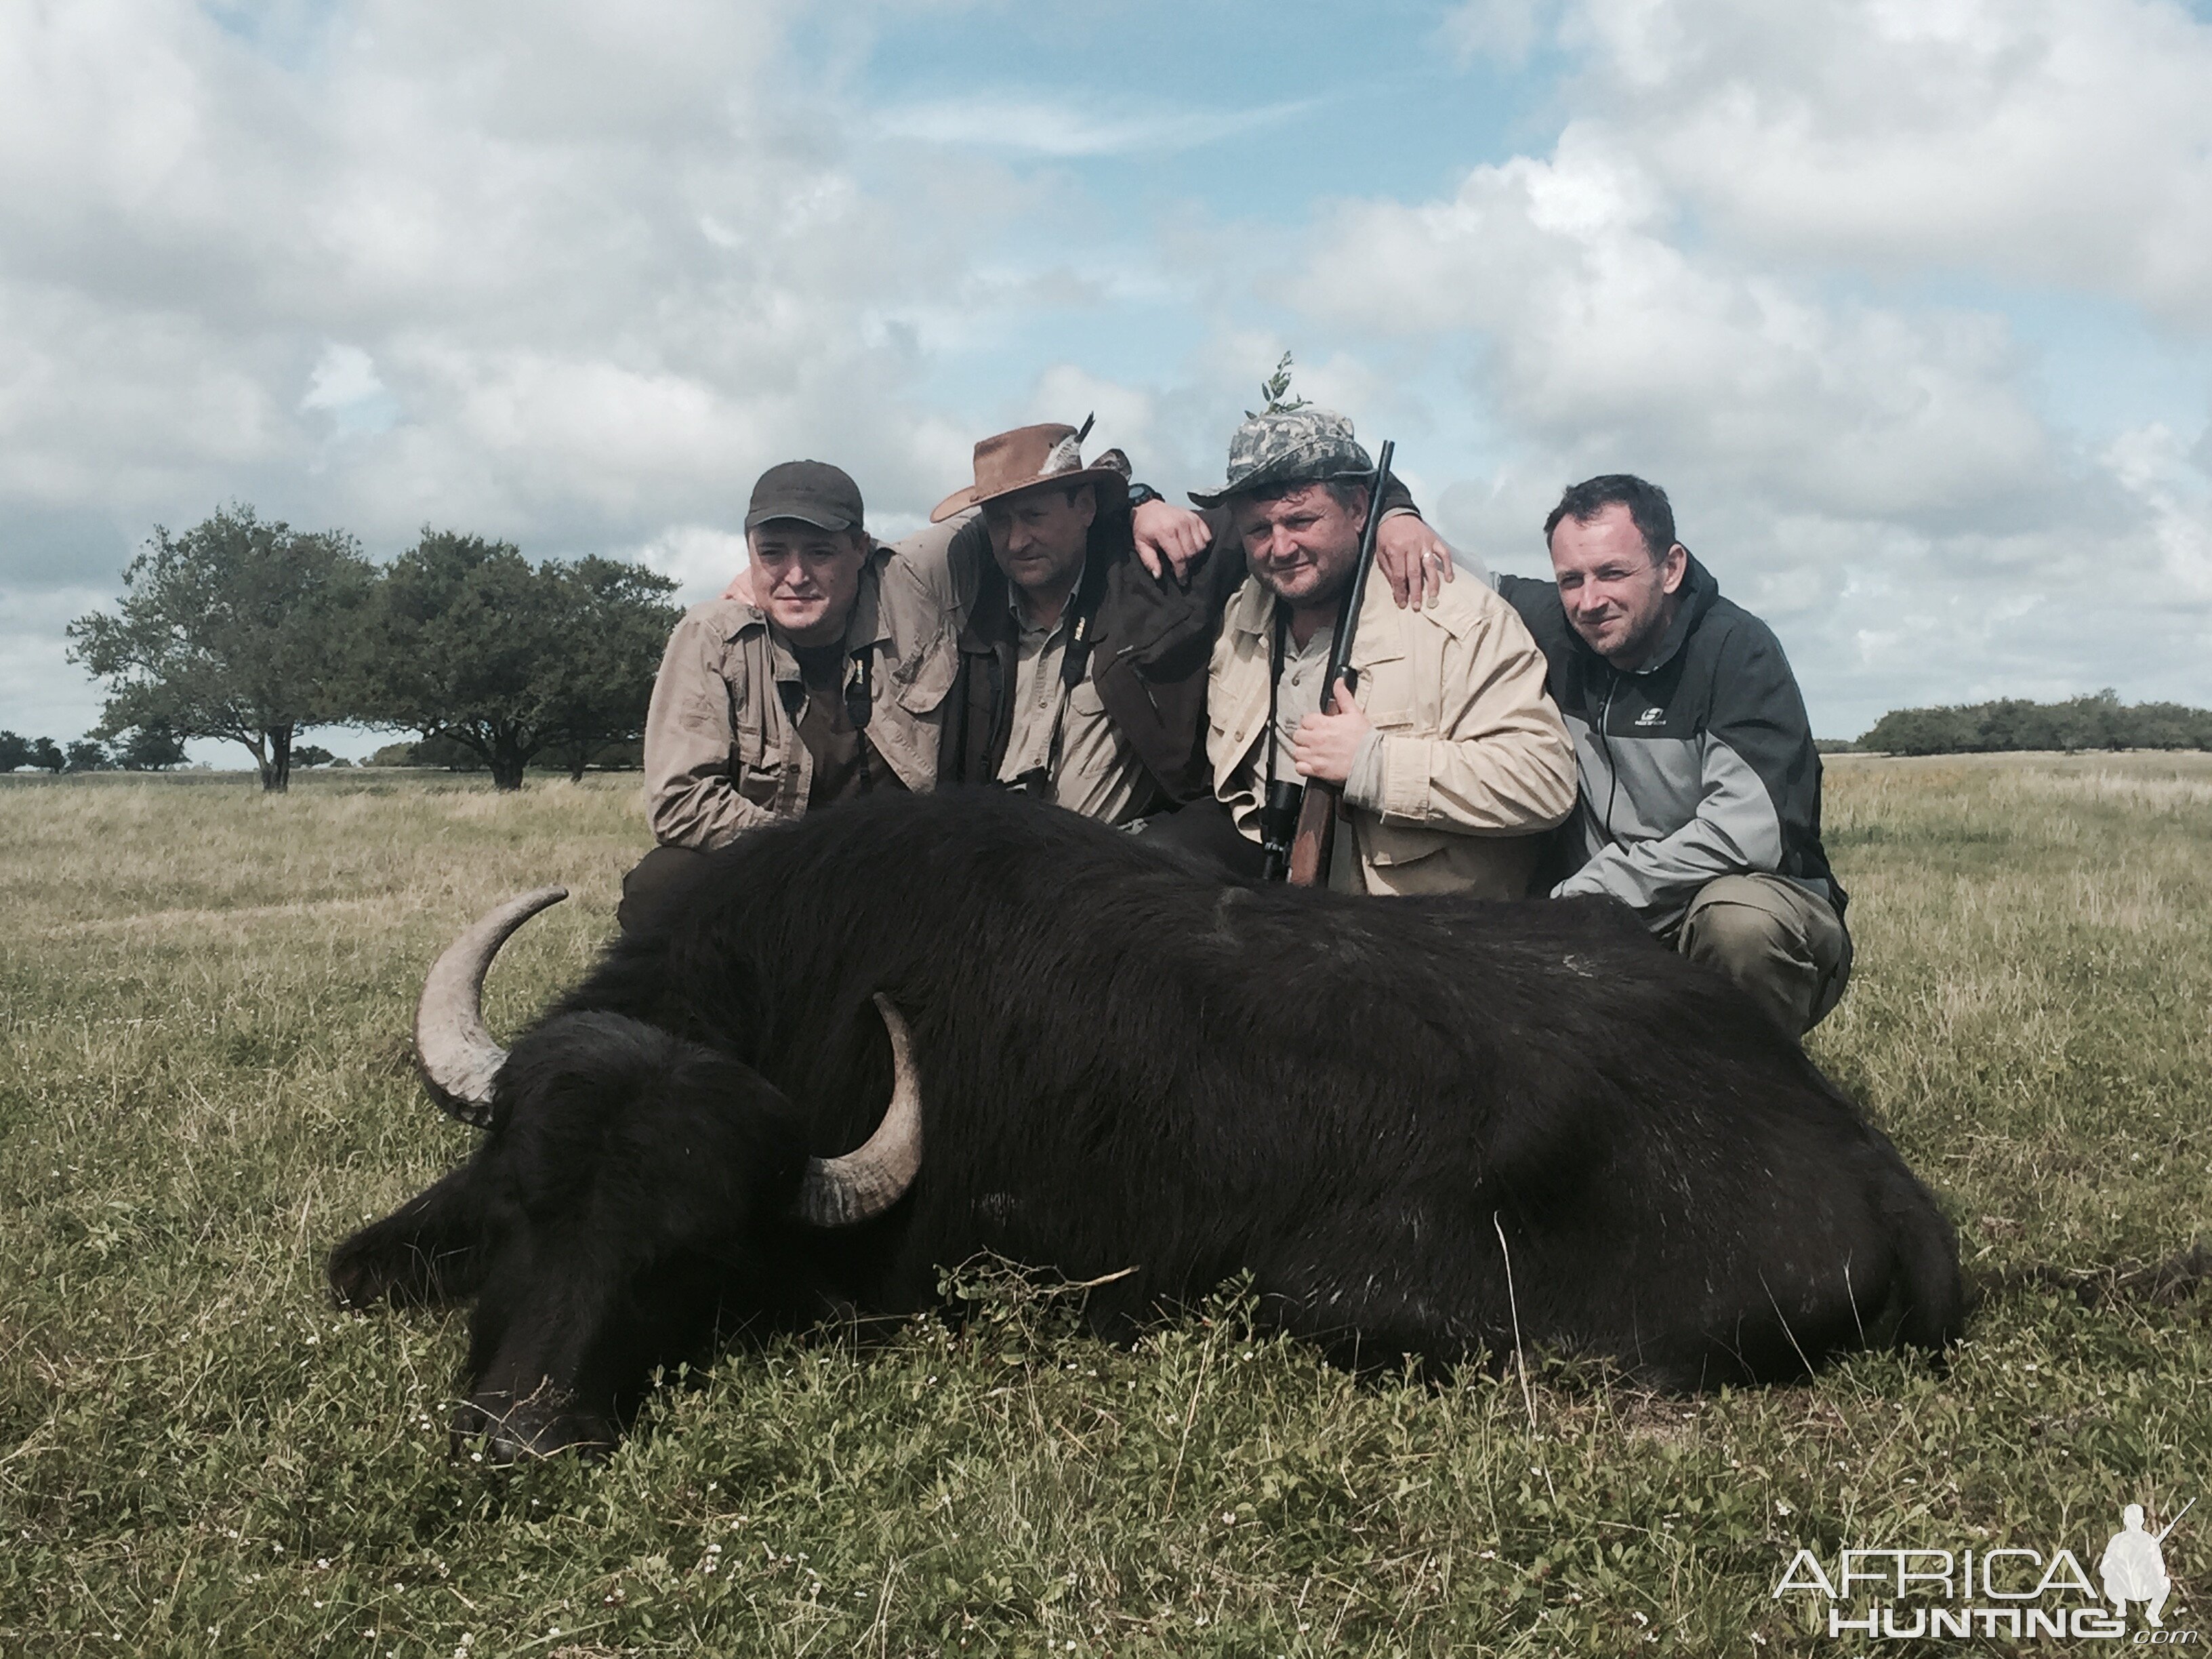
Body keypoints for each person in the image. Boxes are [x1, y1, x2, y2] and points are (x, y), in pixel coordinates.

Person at [886, 417, 1458, 863]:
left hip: (1122, 873)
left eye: (1033, 515)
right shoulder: (972, 604)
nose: (1016, 540)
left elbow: (1306, 499)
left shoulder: (1161, 572)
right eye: (1000, 522)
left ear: (1086, 507)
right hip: (997, 868)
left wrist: (1395, 514)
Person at [1496, 474, 1851, 1035]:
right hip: (1601, 914)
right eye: (1570, 580)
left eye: (1613, 573)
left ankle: (1747, 1104)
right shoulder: (1560, 626)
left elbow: (1746, 835)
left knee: (1741, 929)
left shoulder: (1737, 651)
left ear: (1672, 568)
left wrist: (1582, 898)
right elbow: (1439, 566)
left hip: (1732, 897)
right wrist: (1397, 515)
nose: (1589, 601)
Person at [1199, 407, 1576, 895]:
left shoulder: (1455, 616)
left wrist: (1374, 766)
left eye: (1301, 520)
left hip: (1427, 940)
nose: (1280, 546)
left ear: (1359, 510)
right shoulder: (1241, 617)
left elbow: (1544, 781)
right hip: (1285, 918)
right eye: (1259, 530)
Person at [622, 459, 951, 928]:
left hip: (901, 872)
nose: (795, 577)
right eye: (773, 554)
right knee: (661, 884)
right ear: (749, 552)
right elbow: (681, 800)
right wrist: (812, 853)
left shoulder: (918, 600)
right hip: (773, 870)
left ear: (861, 548)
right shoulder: (711, 636)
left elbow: (981, 521)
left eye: (820, 553)